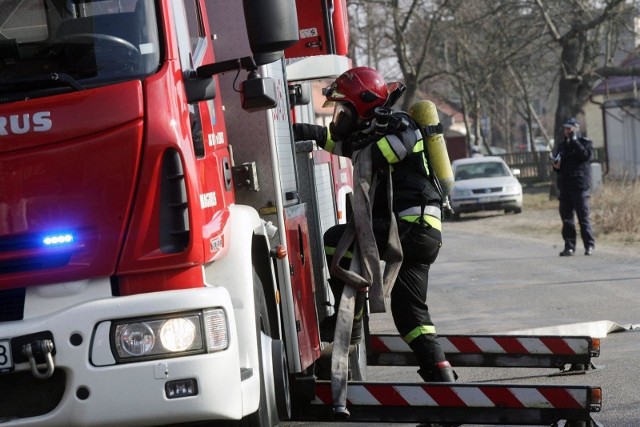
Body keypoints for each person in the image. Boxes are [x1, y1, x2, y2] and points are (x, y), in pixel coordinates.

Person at [292, 66, 455, 383]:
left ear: (362, 105)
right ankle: (443, 382)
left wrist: (360, 142)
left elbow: (381, 153)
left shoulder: (399, 125)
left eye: (344, 109)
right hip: (423, 233)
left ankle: (350, 322)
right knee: (410, 314)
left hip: (411, 225)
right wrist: (302, 131)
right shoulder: (375, 131)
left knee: (336, 241)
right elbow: (346, 146)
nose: (340, 116)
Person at [552, 117, 596, 256]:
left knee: (583, 218)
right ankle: (569, 246)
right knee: (567, 219)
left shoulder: (585, 143)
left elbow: (585, 156)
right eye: (565, 129)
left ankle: (589, 246)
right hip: (565, 187)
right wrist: (556, 165)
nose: (566, 131)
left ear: (576, 129)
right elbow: (558, 167)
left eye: (569, 129)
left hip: (579, 186)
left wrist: (575, 141)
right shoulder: (561, 146)